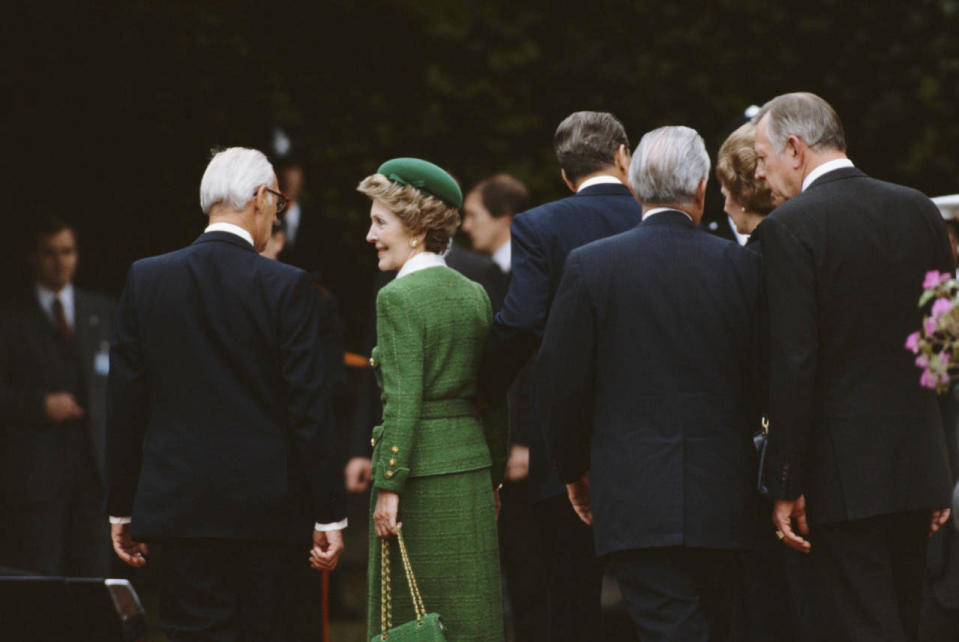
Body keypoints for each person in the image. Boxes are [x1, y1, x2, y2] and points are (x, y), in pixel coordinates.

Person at [107, 147, 346, 641]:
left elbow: (127, 403)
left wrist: (121, 507)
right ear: (261, 198)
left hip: (179, 507)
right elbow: (308, 406)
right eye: (278, 201)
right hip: (268, 511)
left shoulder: (146, 278)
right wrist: (329, 511)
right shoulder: (287, 285)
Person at [536, 125, 761, 641]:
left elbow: (560, 383)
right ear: (702, 187)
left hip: (632, 494)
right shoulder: (742, 266)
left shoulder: (591, 266)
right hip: (726, 492)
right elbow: (762, 378)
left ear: (634, 187)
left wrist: (573, 470)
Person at [752, 92, 954, 641]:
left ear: (794, 149)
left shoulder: (788, 229)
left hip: (840, 481)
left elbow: (794, 362)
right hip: (918, 467)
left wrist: (785, 482)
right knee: (906, 622)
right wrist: (943, 465)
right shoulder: (919, 209)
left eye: (762, 159)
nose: (761, 176)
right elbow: (945, 346)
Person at [481, 110, 644, 641]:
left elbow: (522, 321)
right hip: (653, 437)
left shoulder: (539, 225)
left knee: (570, 601)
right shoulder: (657, 215)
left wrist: (481, 390)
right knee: (661, 599)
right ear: (624, 156)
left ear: (564, 175)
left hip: (565, 442)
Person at [359, 158, 506, 642]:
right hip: (471, 472)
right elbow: (494, 395)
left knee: (411, 621)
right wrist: (495, 477)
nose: (370, 235)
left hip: (419, 480)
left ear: (417, 228)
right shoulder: (475, 294)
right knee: (472, 619)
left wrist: (388, 485)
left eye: (380, 222)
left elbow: (403, 403)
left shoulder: (396, 298)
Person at [0, 217, 116, 577]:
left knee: (94, 584)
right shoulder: (10, 320)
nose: (59, 261)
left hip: (95, 477)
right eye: (49, 253)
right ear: (33, 258)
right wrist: (39, 406)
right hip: (35, 480)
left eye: (67, 251)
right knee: (38, 583)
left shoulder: (104, 312)